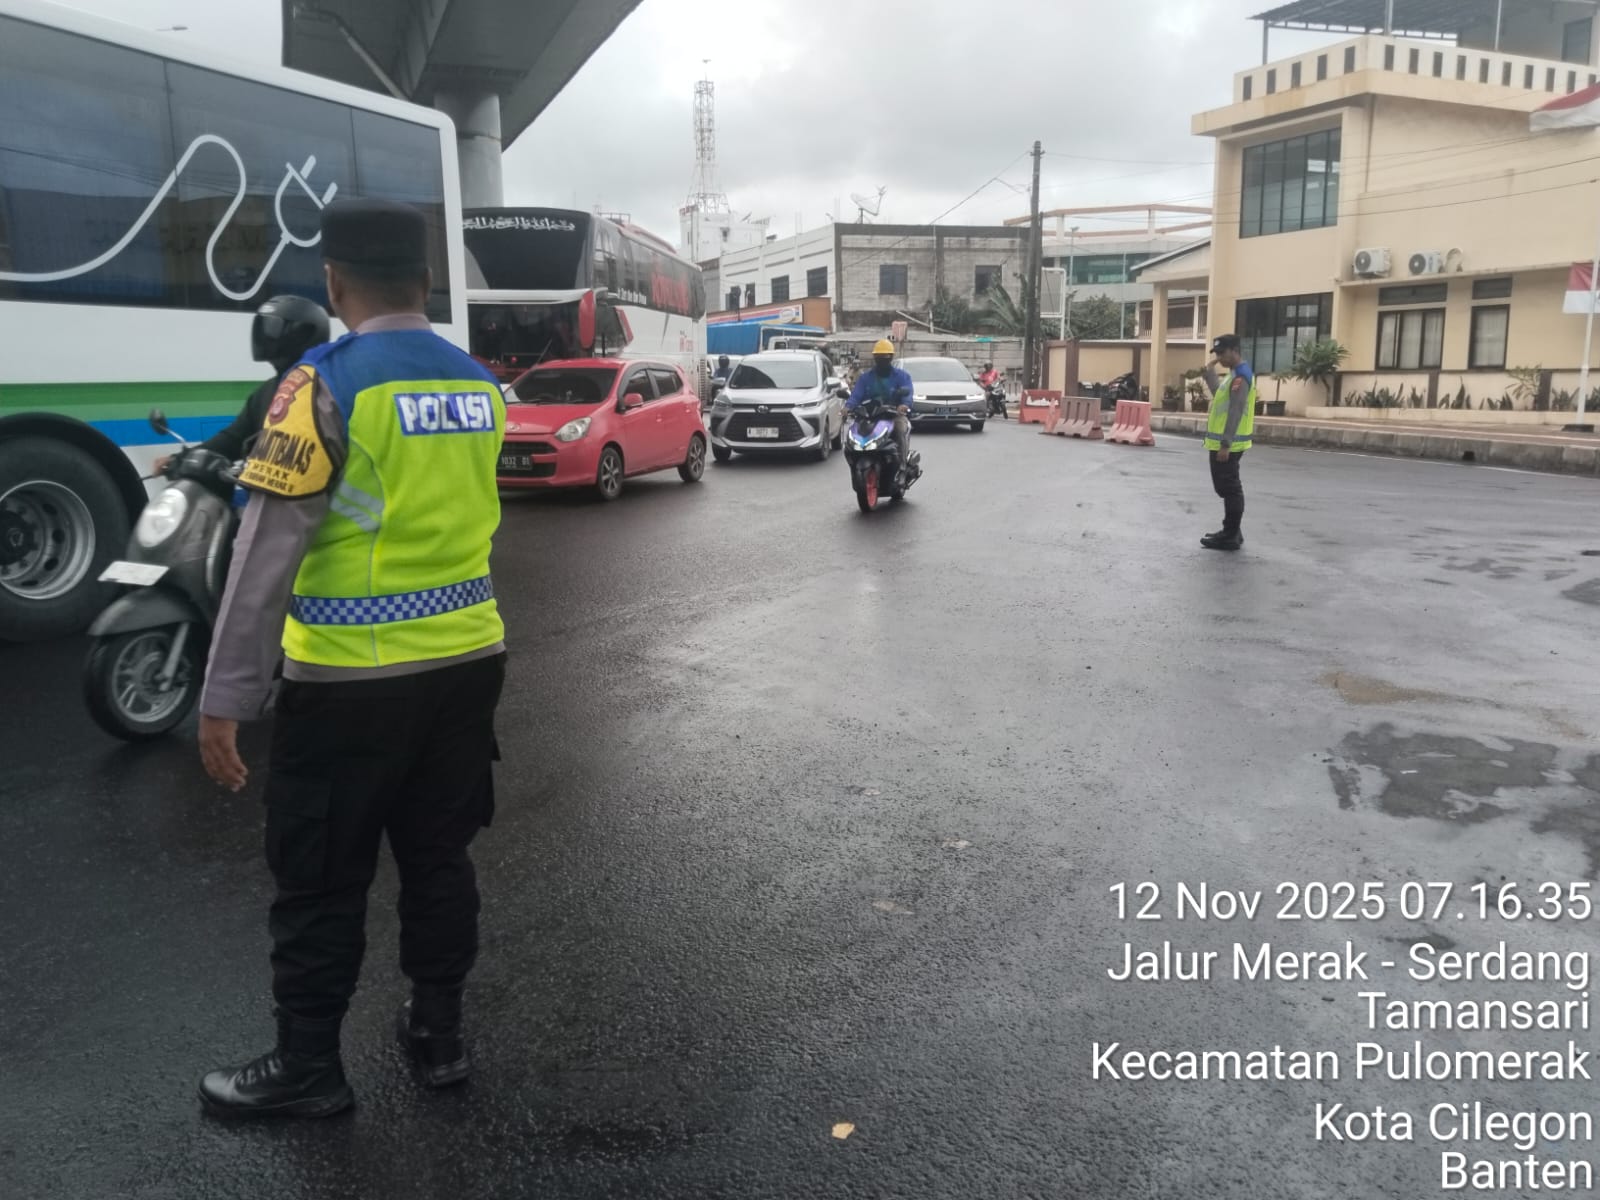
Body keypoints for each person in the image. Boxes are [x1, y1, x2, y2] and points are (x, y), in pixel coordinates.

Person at [194, 198, 508, 1118]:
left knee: (321, 880)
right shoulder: (479, 383)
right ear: (426, 281)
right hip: (468, 663)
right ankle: (439, 1037)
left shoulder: (320, 385)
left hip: (347, 682)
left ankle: (307, 1069)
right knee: (439, 859)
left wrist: (226, 696)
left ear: (334, 284)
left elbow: (264, 553)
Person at [155, 295, 329, 472]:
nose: (265, 337)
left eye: (271, 329)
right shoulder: (265, 393)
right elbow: (233, 439)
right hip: (261, 485)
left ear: (301, 336)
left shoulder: (323, 393)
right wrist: (182, 458)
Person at [1199, 334, 1256, 551]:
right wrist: (1209, 372)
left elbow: (1235, 411)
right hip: (1224, 443)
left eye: (1222, 353)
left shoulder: (1241, 376)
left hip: (1229, 444)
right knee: (1225, 487)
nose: (1220, 357)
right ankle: (1233, 531)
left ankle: (1230, 534)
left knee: (1230, 489)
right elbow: (1219, 396)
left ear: (1235, 350)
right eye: (1217, 353)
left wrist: (1226, 444)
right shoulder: (1233, 375)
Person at [846, 339, 915, 459]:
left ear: (891, 357)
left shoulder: (902, 376)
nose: (882, 360)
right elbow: (856, 396)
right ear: (875, 357)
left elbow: (907, 393)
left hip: (894, 415)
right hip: (869, 416)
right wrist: (847, 407)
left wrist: (904, 405)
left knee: (900, 429)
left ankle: (902, 462)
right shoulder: (865, 378)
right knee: (852, 434)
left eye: (885, 357)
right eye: (879, 357)